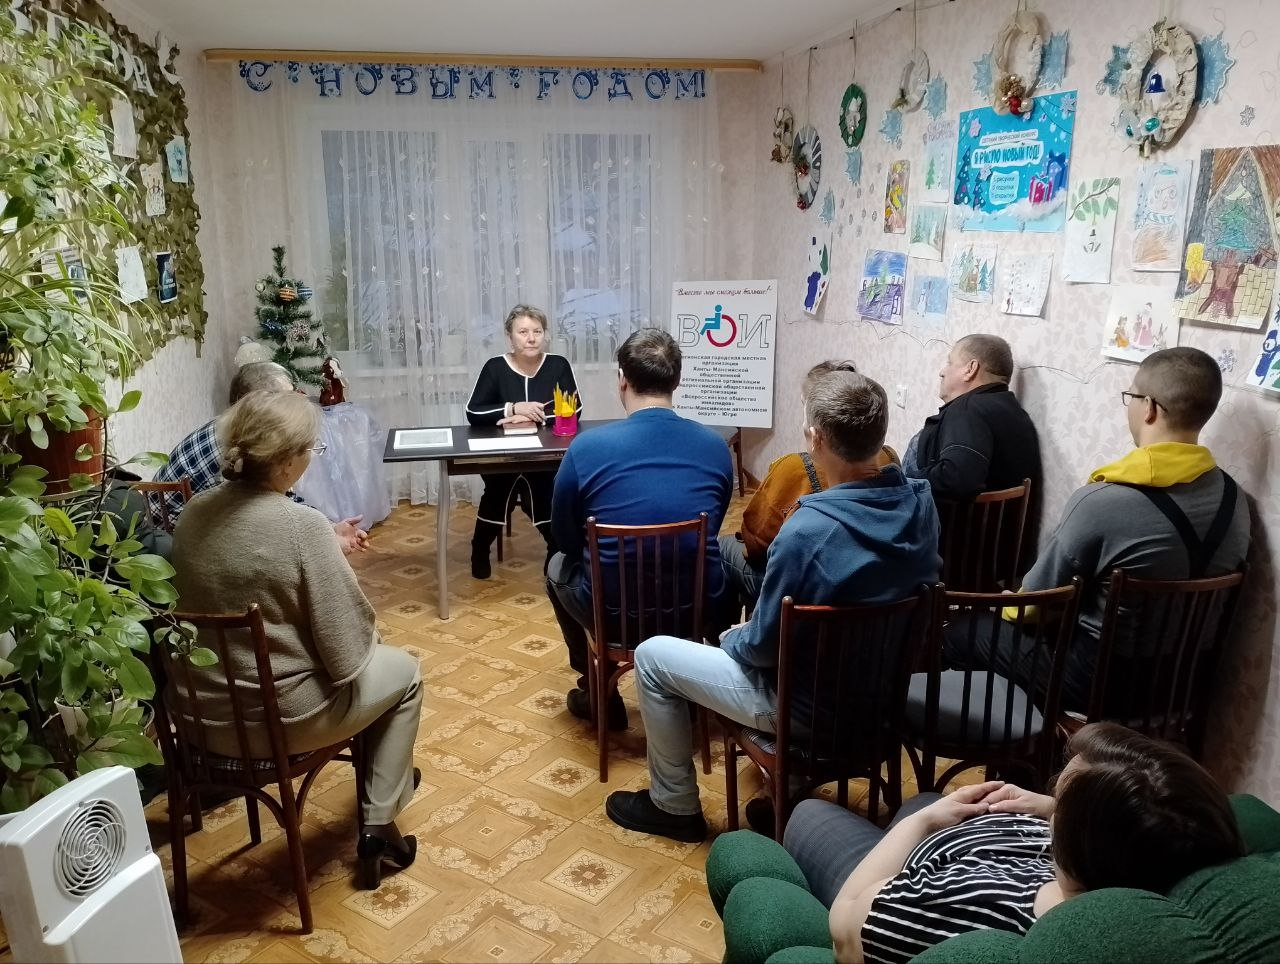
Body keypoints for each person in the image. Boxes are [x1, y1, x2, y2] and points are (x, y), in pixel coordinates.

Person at [604, 371, 940, 843]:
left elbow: (762, 648)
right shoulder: (922, 507)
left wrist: (730, 637)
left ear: (815, 438)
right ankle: (791, 793)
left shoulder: (807, 531)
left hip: (805, 709)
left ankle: (674, 805)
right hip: (880, 698)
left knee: (652, 656)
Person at [171, 390, 422, 890]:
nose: (312, 459)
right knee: (405, 675)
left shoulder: (194, 511)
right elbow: (347, 655)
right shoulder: (302, 525)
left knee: (375, 674)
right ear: (286, 461)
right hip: (280, 721)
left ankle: (383, 793)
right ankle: (378, 823)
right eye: (311, 449)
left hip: (201, 716)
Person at [761, 723, 1241, 964]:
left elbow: (845, 930)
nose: (1051, 801)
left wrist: (924, 823)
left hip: (894, 885)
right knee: (924, 797)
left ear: (1080, 845)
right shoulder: (1144, 870)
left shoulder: (983, 911)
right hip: (956, 847)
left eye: (1061, 799)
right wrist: (1050, 808)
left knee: (809, 814)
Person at [945, 346, 1250, 712]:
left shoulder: (1104, 500)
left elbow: (1032, 605)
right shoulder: (1235, 499)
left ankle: (1016, 749)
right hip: (1185, 685)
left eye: (1131, 396)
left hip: (1100, 684)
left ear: (1150, 408)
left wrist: (1003, 608)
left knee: (964, 631)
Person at [546, 328, 733, 732]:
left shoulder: (586, 447)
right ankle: (698, 682)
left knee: (556, 566)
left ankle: (598, 692)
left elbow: (563, 535)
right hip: (692, 608)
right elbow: (713, 524)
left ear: (622, 380)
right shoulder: (715, 445)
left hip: (614, 614)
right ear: (677, 381)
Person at [721, 360, 900, 603]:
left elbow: (756, 544)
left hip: (808, 598)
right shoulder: (896, 467)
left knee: (724, 546)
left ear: (815, 434)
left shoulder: (795, 484)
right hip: (879, 592)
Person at [154, 360, 369, 554]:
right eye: (287, 399)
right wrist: (327, 540)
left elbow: (283, 501)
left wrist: (329, 528)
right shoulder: (242, 448)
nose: (297, 402)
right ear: (259, 405)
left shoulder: (239, 429)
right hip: (175, 546)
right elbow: (273, 519)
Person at [465, 305, 581, 579]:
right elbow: (474, 412)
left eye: (537, 331)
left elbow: (573, 410)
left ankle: (555, 550)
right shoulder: (495, 367)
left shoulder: (558, 365)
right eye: (523, 332)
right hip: (501, 454)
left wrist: (530, 417)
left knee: (544, 490)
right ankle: (479, 549)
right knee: (498, 490)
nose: (531, 338)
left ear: (545, 335)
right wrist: (513, 408)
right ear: (510, 336)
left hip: (545, 457)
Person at [902, 334, 1041, 501]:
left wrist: (906, 480)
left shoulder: (967, 409)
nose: (942, 372)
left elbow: (958, 479)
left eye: (950, 363)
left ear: (970, 369)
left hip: (948, 517)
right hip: (1005, 519)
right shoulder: (1018, 414)